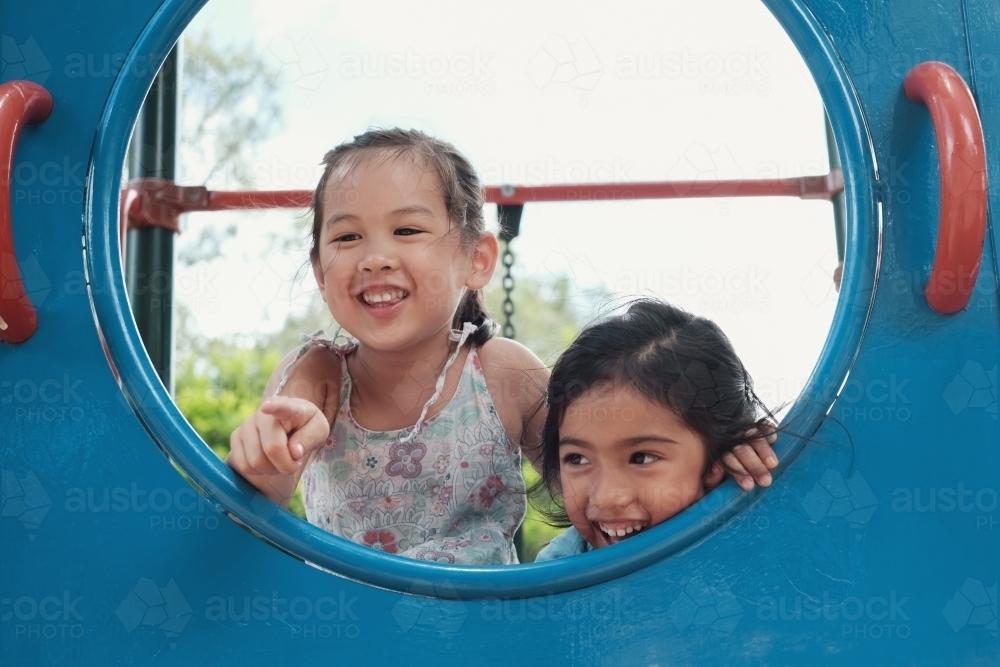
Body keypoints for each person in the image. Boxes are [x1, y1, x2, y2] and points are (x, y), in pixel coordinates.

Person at [227, 128, 777, 564]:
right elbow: (262, 500)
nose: (374, 257)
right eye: (347, 237)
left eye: (407, 231)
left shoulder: (500, 372)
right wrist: (270, 450)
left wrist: (717, 449)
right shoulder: (316, 376)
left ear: (477, 260)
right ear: (322, 272)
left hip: (492, 634)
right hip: (359, 630)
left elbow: (593, 472)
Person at [534, 298, 776, 561]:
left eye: (641, 458)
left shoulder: (759, 531)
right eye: (577, 459)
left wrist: (764, 468)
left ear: (716, 461)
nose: (607, 498)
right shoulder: (557, 570)